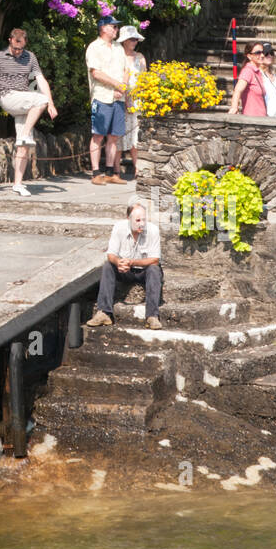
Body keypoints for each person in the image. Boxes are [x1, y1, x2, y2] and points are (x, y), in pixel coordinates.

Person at [0, 28, 57, 196]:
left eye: (20, 49)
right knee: (40, 100)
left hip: (24, 102)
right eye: (15, 48)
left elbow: (41, 80)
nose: (17, 52)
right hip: (8, 97)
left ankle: (17, 183)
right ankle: (23, 134)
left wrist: (51, 103)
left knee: (23, 146)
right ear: (10, 40)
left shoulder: (30, 57)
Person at [86, 202, 163, 330]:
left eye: (144, 219)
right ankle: (104, 312)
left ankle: (152, 316)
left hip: (144, 270)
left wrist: (132, 262)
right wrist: (118, 262)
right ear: (129, 219)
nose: (142, 223)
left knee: (154, 270)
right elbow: (111, 254)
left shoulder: (153, 230)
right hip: (125, 270)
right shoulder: (119, 228)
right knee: (108, 266)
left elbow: (155, 260)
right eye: (137, 220)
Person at [85, 17, 128, 186]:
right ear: (103, 28)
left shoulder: (118, 48)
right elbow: (96, 73)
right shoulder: (94, 47)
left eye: (117, 27)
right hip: (102, 96)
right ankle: (96, 172)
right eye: (113, 27)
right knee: (98, 135)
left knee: (114, 136)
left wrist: (122, 87)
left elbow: (126, 70)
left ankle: (110, 172)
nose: (116, 30)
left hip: (119, 96)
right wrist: (117, 85)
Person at [117, 24, 147, 179]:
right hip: (121, 97)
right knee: (118, 135)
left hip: (138, 99)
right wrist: (126, 98)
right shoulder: (117, 56)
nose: (134, 42)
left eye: (136, 39)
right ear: (124, 41)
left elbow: (144, 78)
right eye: (131, 39)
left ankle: (137, 168)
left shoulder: (140, 57)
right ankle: (115, 170)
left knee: (136, 135)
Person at [228, 43, 268, 116]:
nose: (262, 55)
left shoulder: (257, 72)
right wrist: (234, 107)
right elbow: (237, 90)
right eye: (258, 53)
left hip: (261, 119)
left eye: (263, 52)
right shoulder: (248, 71)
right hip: (251, 120)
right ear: (249, 56)